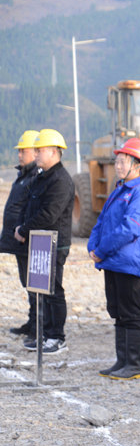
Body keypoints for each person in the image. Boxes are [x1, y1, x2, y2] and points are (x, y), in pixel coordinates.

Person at [88, 139, 140, 380]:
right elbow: (102, 220)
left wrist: (102, 249)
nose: (118, 165)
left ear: (139, 166)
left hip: (129, 262)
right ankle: (122, 360)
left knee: (131, 312)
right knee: (117, 311)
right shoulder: (120, 189)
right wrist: (93, 245)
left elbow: (131, 228)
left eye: (123, 161)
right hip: (112, 260)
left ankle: (134, 364)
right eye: (117, 160)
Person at [16, 129, 74, 355]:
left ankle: (57, 337)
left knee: (54, 291)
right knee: (42, 291)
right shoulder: (42, 177)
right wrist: (21, 226)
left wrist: (24, 228)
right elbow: (29, 206)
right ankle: (45, 335)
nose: (36, 154)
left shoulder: (61, 180)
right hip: (40, 242)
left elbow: (49, 214)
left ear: (53, 152)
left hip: (54, 243)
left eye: (39, 150)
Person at [2, 130, 39, 340]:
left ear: (35, 152)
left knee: (34, 284)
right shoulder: (24, 175)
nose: (19, 155)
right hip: (17, 240)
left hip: (26, 240)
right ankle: (32, 321)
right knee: (27, 283)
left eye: (22, 151)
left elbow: (31, 209)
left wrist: (23, 230)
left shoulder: (34, 177)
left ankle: (37, 325)